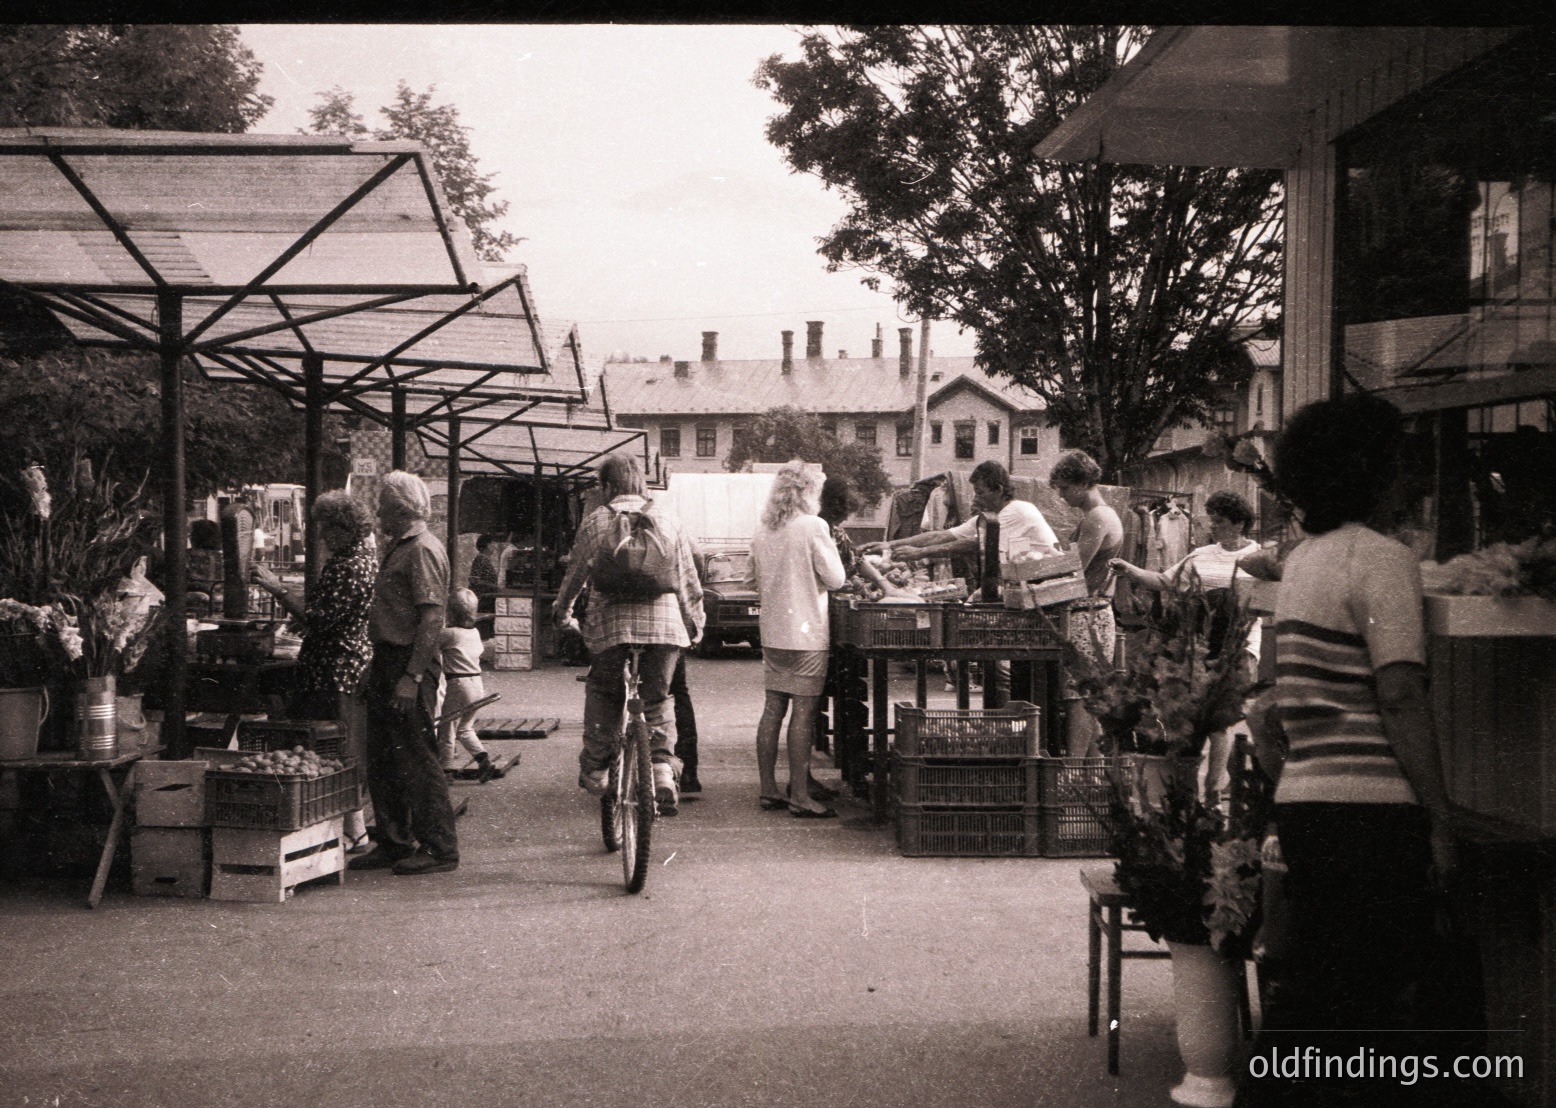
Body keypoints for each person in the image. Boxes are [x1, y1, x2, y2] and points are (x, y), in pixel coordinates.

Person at [1232, 394, 1457, 1107]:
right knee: (1367, 1013)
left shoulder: (1303, 564)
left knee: (1313, 1002)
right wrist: (1440, 816)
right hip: (1373, 814)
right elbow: (1399, 696)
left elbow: (1278, 705)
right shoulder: (1384, 561)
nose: (1411, 481)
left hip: (1306, 804)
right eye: (1400, 464)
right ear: (1370, 472)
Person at [554, 453, 703, 816]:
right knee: (658, 698)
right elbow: (687, 580)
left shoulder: (595, 522)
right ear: (641, 482)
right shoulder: (668, 519)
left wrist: (563, 613)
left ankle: (597, 768)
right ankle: (663, 770)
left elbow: (574, 577)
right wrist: (695, 624)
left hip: (610, 629)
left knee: (604, 691)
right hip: (664, 629)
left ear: (606, 486)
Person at [1109, 490, 1263, 801]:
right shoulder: (1201, 556)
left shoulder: (1260, 559)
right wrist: (1132, 571)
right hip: (1201, 649)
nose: (1212, 527)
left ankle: (1213, 792)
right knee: (1196, 719)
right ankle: (1196, 789)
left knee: (1223, 721)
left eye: (1219, 522)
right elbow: (1166, 580)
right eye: (1212, 521)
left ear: (1239, 524)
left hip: (1239, 648)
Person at [864, 461, 1059, 704]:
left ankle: (1010, 714)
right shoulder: (989, 517)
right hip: (1019, 591)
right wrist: (889, 545)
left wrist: (920, 553)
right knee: (1000, 664)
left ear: (998, 489)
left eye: (981, 492)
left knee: (1008, 666)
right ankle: (1004, 714)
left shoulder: (1017, 510)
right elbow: (943, 534)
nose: (976, 498)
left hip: (1041, 593)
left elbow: (975, 544)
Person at [251, 490, 377, 853]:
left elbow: (319, 618)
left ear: (342, 529)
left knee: (331, 751)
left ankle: (348, 833)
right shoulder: (362, 559)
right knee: (341, 750)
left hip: (334, 668)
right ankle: (351, 830)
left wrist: (277, 589)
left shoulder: (347, 566)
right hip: (346, 664)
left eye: (325, 529)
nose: (321, 537)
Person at [349, 470, 460, 877]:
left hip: (408, 661)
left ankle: (440, 847)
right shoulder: (403, 548)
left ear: (400, 510)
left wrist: (411, 677)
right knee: (383, 756)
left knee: (415, 756)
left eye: (382, 509)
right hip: (389, 658)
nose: (378, 516)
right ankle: (394, 839)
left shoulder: (421, 550)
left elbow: (431, 618)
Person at [748, 460, 847, 818]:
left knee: (772, 710)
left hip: (773, 632)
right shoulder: (813, 526)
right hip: (807, 633)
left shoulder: (764, 530)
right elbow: (836, 579)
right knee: (803, 714)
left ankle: (768, 789)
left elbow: (751, 578)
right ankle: (800, 795)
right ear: (808, 492)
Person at [1048, 450, 1125, 758]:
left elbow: (1073, 568)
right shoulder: (1100, 516)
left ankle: (1073, 770)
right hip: (1092, 613)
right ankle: (1092, 774)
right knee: (1087, 694)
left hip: (1087, 615)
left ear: (1082, 483)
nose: (1063, 496)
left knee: (1078, 696)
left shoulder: (1097, 518)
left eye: (1065, 488)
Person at [436, 588, 500, 783]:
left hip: (458, 683)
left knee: (447, 727)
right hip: (476, 684)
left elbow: (430, 644)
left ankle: (446, 770)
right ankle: (484, 761)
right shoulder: (474, 632)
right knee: (465, 728)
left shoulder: (449, 634)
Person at [468, 533, 503, 648]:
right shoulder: (481, 559)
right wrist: (494, 586)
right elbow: (474, 579)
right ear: (487, 545)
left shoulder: (486, 560)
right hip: (481, 597)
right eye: (493, 544)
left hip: (486, 598)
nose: (494, 546)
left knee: (484, 625)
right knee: (480, 625)